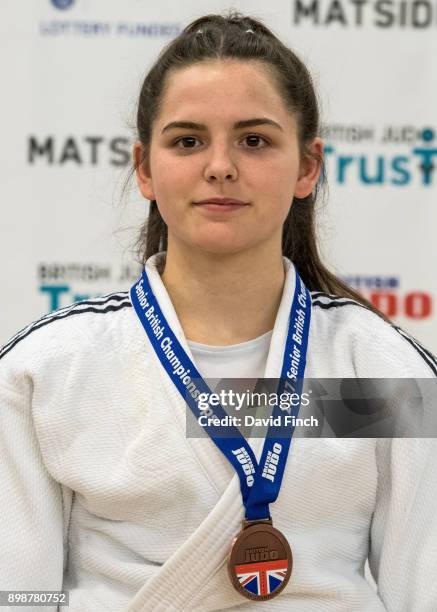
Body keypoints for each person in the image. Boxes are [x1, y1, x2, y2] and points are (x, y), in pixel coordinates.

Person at [1, 10, 436, 612]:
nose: (220, 166)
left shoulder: (379, 369)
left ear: (307, 166)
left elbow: (425, 588)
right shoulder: (46, 372)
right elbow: (18, 595)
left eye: (254, 140)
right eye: (188, 141)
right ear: (146, 169)